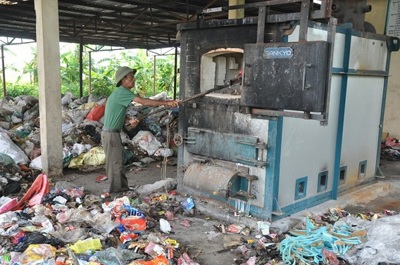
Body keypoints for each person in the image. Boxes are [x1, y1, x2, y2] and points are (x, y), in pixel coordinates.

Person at [101, 66, 179, 194]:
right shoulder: (122, 92)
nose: (133, 80)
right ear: (123, 79)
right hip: (110, 134)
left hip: (111, 133)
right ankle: (116, 193)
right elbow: (144, 102)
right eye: (131, 78)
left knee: (118, 162)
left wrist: (128, 120)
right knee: (115, 164)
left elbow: (116, 112)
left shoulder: (118, 94)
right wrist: (167, 103)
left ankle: (123, 188)